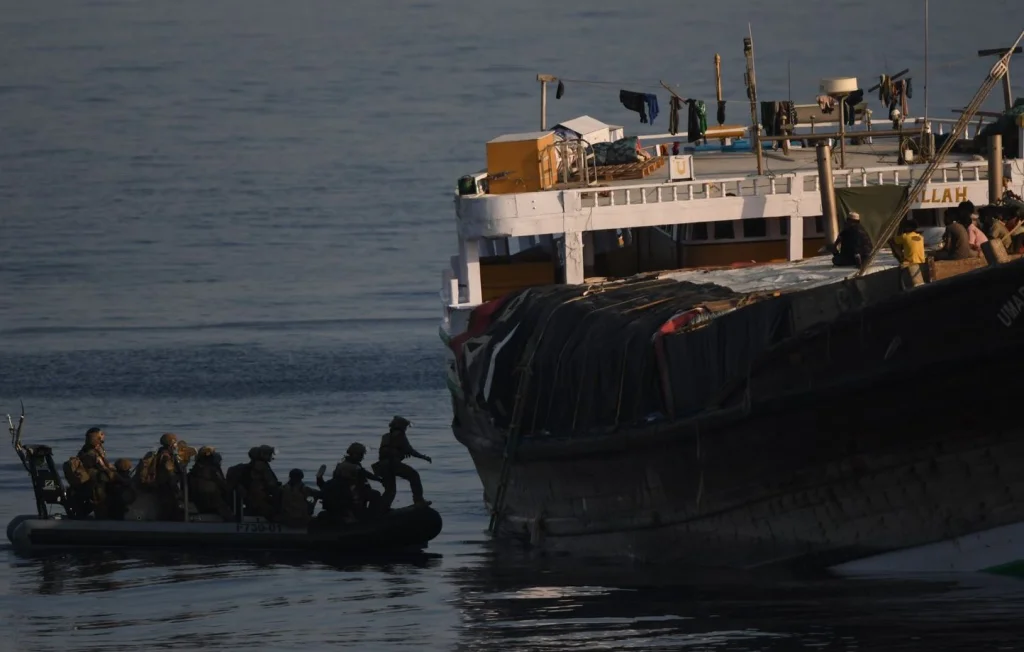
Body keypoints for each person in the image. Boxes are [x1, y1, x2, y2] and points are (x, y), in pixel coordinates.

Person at [372, 416, 432, 509]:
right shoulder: (400, 435)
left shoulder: (386, 436)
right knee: (414, 476)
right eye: (405, 426)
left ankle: (382, 508)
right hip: (392, 464)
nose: (406, 428)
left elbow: (388, 451)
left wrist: (401, 453)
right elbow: (410, 450)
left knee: (390, 490)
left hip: (382, 466)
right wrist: (424, 457)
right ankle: (418, 500)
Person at [334, 442, 384, 520]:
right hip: (351, 492)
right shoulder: (350, 466)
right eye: (361, 455)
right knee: (375, 495)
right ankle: (372, 517)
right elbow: (365, 474)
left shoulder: (345, 464)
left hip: (351, 491)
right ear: (354, 454)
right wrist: (379, 479)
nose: (362, 457)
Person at [77, 427, 117, 517]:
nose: (104, 436)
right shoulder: (91, 453)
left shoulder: (95, 449)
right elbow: (103, 467)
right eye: (101, 434)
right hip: (95, 481)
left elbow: (106, 464)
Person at [188, 446, 233, 519]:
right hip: (214, 504)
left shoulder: (194, 471)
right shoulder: (212, 472)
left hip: (198, 503)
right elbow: (225, 487)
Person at [243, 445, 280, 519]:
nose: (270, 456)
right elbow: (271, 483)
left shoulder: (252, 465)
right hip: (260, 497)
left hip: (253, 497)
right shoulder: (262, 466)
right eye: (269, 454)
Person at [155, 433, 184, 520]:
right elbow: (170, 472)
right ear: (171, 443)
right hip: (166, 485)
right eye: (175, 442)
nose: (176, 444)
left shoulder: (164, 453)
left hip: (164, 484)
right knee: (170, 507)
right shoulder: (166, 456)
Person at [891, 218, 926, 288]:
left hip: (910, 262)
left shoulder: (905, 236)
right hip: (922, 260)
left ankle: (900, 257)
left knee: (891, 242)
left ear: (906, 228)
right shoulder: (921, 237)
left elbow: (892, 240)